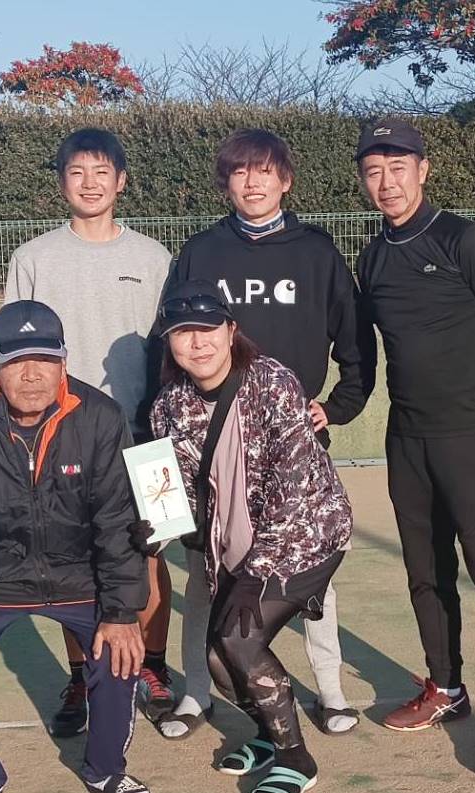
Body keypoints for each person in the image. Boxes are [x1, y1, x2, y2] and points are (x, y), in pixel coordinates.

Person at [161, 128, 369, 739]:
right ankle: (197, 693)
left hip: (287, 443)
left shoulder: (317, 252)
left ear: (286, 180)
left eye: (264, 171)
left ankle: (330, 691)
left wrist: (338, 406)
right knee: (206, 575)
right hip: (210, 447)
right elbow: (166, 342)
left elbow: (355, 342)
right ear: (225, 182)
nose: (252, 182)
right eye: (239, 172)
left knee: (305, 572)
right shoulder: (201, 251)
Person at [0, 299, 152, 793]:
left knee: (121, 649)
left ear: (64, 361)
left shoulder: (100, 418)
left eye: (45, 358)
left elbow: (117, 523)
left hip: (77, 575)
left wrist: (121, 612)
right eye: (17, 360)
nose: (32, 374)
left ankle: (106, 770)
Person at [354, 119, 475, 779]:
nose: (386, 182)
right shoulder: (372, 258)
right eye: (373, 171)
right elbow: (368, 352)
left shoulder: (465, 240)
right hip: (407, 439)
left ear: (423, 170)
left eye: (397, 167)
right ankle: (446, 686)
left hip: (474, 436)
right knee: (425, 572)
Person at [146, 279, 353, 793]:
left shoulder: (273, 382)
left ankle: (296, 758)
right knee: (218, 653)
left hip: (306, 536)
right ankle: (267, 732)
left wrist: (254, 575)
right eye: (182, 332)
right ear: (168, 343)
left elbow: (293, 486)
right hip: (235, 546)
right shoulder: (169, 406)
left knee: (239, 641)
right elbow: (176, 492)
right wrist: (149, 530)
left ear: (231, 330)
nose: (197, 342)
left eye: (208, 328)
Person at [5, 128, 175, 735]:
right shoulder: (32, 259)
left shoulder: (154, 258)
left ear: (121, 181)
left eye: (102, 171)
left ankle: (153, 668)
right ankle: (82, 677)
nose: (90, 182)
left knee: (152, 554)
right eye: (77, 172)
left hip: (149, 434)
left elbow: (174, 347)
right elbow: (12, 356)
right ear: (62, 182)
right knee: (72, 560)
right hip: (60, 438)